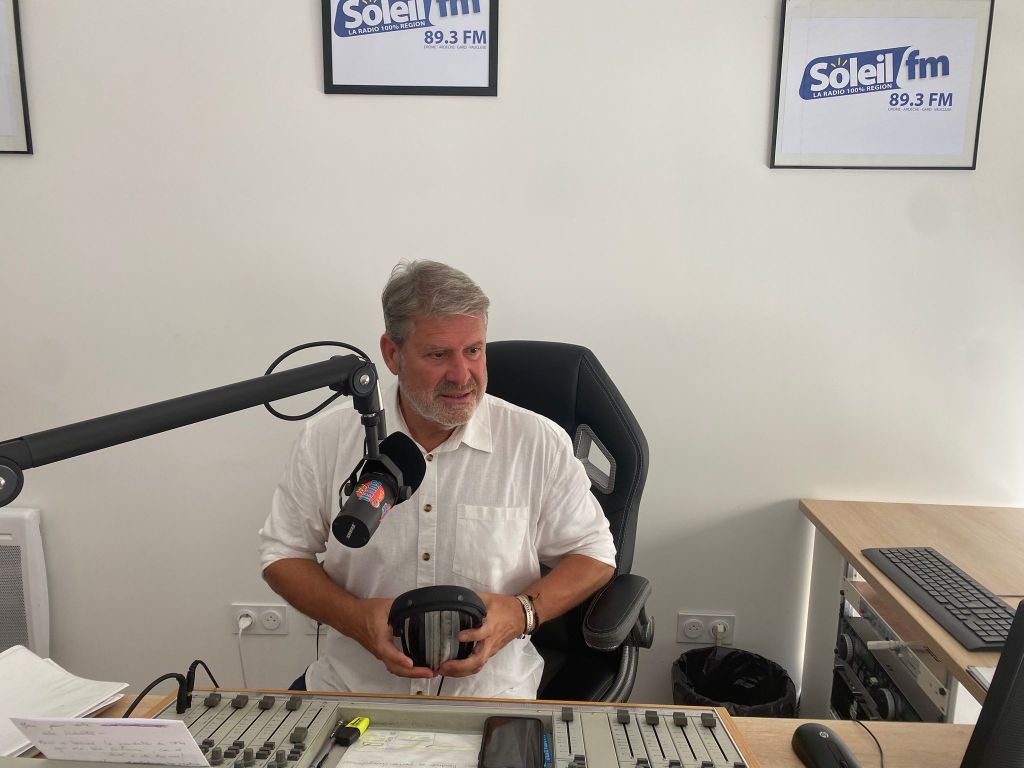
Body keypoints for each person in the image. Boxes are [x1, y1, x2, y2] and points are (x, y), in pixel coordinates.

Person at [259, 260, 615, 698]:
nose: (462, 375)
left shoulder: (537, 441)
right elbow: (283, 552)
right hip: (353, 691)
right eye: (438, 355)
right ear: (392, 354)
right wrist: (354, 619)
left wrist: (521, 612)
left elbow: (595, 553)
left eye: (474, 351)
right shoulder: (327, 438)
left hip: (490, 699)